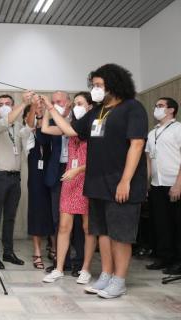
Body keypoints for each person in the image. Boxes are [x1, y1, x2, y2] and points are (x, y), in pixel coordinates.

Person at [43, 63, 148, 299]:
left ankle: (119, 280)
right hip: (97, 183)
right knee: (103, 233)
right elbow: (70, 131)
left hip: (121, 182)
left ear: (114, 84)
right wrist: (51, 109)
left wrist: (126, 180)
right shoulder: (97, 111)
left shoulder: (133, 108)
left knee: (120, 235)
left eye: (99, 85)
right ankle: (107, 275)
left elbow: (137, 144)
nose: (95, 89)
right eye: (93, 85)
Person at [42, 92, 96, 284]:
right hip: (69, 180)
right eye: (75, 104)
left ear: (90, 106)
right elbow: (46, 129)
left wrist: (79, 170)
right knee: (64, 226)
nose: (77, 107)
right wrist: (48, 108)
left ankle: (86, 269)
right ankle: (59, 268)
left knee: (88, 227)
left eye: (80, 103)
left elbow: (100, 160)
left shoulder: (94, 127)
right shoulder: (71, 126)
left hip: (87, 179)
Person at [0, 92, 32, 269]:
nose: (4, 106)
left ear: (13, 106)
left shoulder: (18, 125)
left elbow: (29, 128)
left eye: (7, 103)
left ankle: (8, 252)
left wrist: (33, 105)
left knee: (10, 217)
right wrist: (23, 102)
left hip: (15, 178)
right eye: (0, 104)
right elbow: (6, 121)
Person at [145, 97, 181, 275]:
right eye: (156, 105)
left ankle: (178, 261)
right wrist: (147, 183)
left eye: (160, 106)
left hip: (174, 183)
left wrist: (178, 184)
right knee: (161, 223)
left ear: (171, 110)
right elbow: (149, 159)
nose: (156, 109)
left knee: (177, 223)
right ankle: (164, 257)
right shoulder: (152, 133)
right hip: (157, 184)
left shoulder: (178, 129)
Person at [22, 97, 54, 270]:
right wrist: (34, 108)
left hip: (53, 173)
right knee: (36, 211)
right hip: (35, 176)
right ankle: (37, 251)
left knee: (53, 211)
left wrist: (44, 117)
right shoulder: (27, 132)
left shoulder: (51, 128)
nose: (38, 111)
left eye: (41, 108)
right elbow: (28, 124)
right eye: (35, 111)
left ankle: (54, 247)